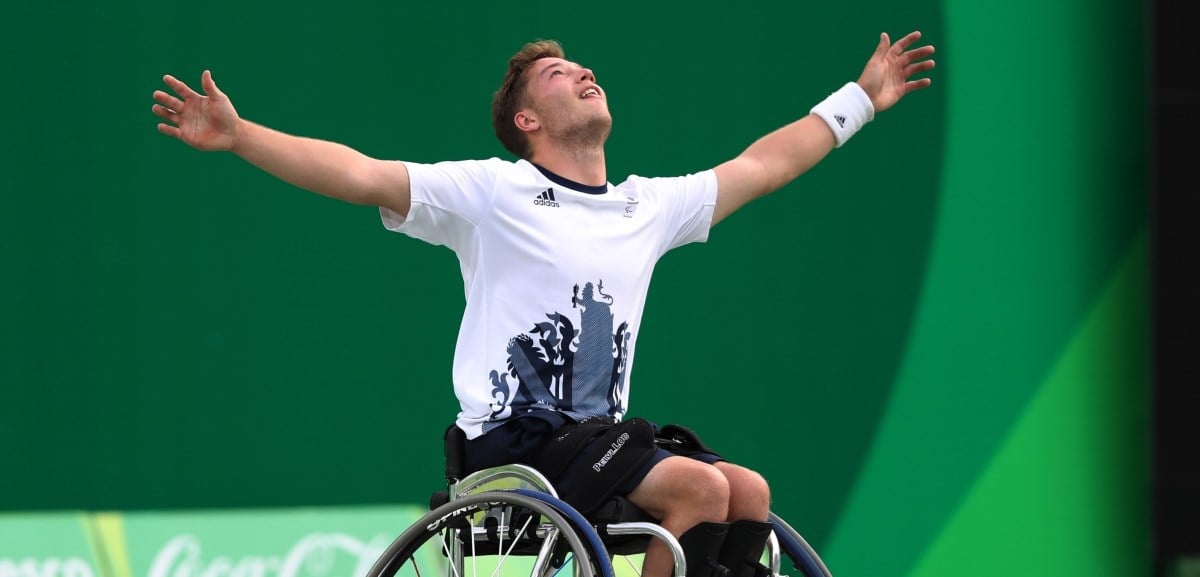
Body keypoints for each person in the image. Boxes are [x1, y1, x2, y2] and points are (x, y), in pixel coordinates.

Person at [152, 31, 934, 577]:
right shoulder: (493, 192)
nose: (584, 73)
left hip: (599, 442)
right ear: (526, 121)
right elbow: (360, 174)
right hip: (511, 446)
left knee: (749, 493)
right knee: (703, 488)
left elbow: (764, 164)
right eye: (560, 75)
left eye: (586, 68)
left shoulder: (646, 206)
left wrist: (859, 99)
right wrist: (243, 134)